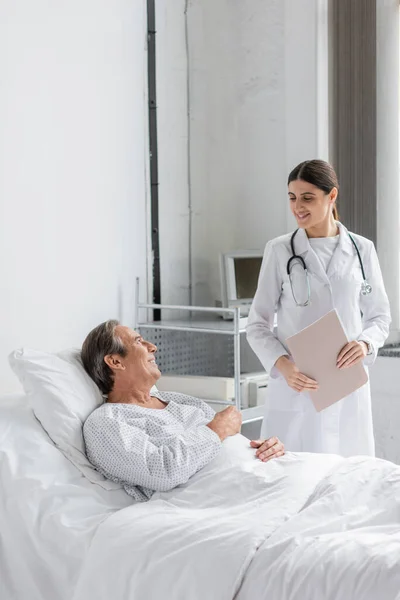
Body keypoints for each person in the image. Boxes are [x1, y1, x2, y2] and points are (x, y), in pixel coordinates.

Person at [246, 159, 391, 457]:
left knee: (348, 474)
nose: (298, 206)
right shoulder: (280, 250)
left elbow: (379, 316)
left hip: (345, 384)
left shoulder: (362, 250)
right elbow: (257, 324)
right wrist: (283, 366)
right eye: (292, 197)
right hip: (297, 386)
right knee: (292, 473)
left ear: (332, 196)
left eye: (308, 198)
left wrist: (365, 344)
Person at [81, 320, 285, 502]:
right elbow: (161, 472)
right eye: (139, 341)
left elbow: (222, 444)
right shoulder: (105, 423)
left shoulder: (180, 401)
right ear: (115, 362)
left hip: (265, 475)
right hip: (228, 497)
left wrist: (263, 449)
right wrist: (216, 430)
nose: (153, 347)